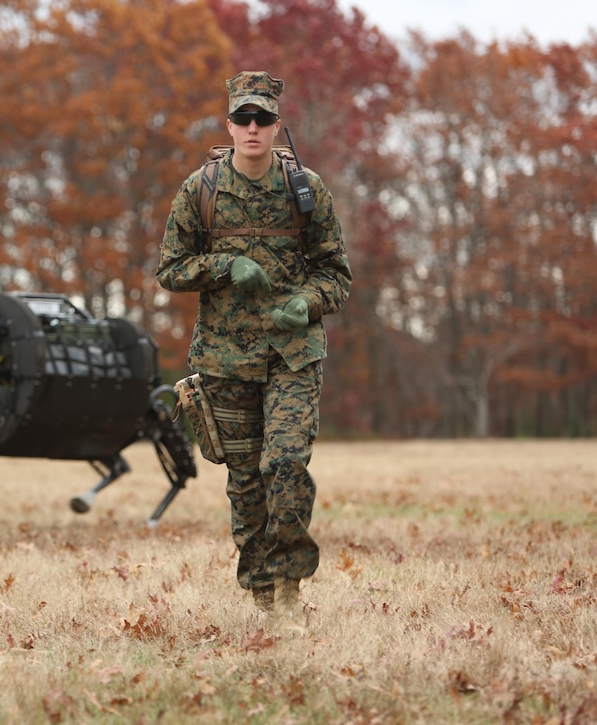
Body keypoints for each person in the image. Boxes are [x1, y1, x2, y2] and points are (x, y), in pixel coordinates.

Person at [156, 71, 352, 630]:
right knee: (245, 483)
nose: (252, 128)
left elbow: (337, 275)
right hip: (224, 359)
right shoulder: (202, 190)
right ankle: (263, 595)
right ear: (229, 125)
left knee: (285, 465)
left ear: (276, 126)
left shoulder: (305, 190)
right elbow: (170, 269)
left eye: (262, 118)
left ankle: (290, 583)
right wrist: (224, 266)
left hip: (292, 355)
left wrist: (307, 304)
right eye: (243, 118)